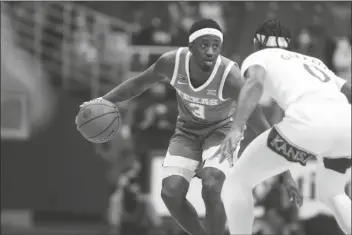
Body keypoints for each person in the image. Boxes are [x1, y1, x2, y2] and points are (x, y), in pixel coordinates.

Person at [78, 19, 299, 235]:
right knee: (170, 194)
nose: (211, 51)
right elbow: (138, 84)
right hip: (187, 131)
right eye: (204, 45)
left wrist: (285, 173)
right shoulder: (171, 63)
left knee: (212, 186)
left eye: (216, 46)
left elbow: (261, 125)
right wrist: (102, 102)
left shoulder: (230, 77)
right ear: (190, 46)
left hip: (221, 132)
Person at [215, 20, 351, 235]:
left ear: (257, 43)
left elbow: (255, 84)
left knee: (237, 184)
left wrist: (236, 127)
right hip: (346, 128)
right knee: (332, 191)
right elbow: (349, 91)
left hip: (307, 125)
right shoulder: (314, 62)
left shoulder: (259, 56)